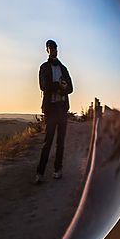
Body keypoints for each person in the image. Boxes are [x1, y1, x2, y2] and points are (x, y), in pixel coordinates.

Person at [36, 39, 73, 183]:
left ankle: (58, 169)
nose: (53, 50)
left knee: (61, 142)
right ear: (47, 50)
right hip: (51, 109)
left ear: (58, 50)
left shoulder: (63, 68)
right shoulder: (44, 67)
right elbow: (43, 86)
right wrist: (58, 85)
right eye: (51, 48)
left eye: (55, 48)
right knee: (48, 142)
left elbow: (70, 88)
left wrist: (64, 87)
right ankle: (40, 172)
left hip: (62, 108)